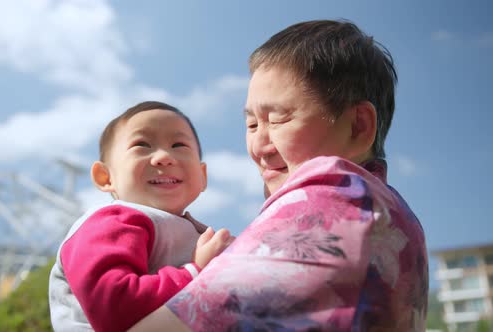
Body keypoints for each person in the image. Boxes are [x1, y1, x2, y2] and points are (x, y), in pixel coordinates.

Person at [130, 19, 428, 331]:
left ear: (358, 126)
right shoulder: (398, 220)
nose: (259, 146)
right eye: (252, 125)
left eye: (278, 119)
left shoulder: (335, 197)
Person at [48, 101, 231, 331]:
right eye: (142, 145)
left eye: (179, 145)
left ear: (202, 175)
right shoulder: (111, 221)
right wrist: (196, 271)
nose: (164, 157)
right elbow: (113, 305)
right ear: (106, 177)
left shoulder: (187, 228)